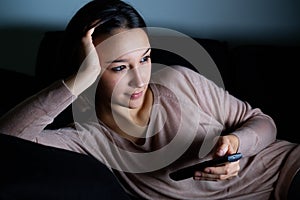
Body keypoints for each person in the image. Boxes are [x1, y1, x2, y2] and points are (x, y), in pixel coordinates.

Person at [0, 0, 299, 199]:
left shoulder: (176, 79)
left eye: (144, 59)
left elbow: (263, 122)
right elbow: (8, 140)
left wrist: (236, 145)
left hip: (288, 169)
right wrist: (78, 79)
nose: (140, 79)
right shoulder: (87, 140)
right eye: (119, 67)